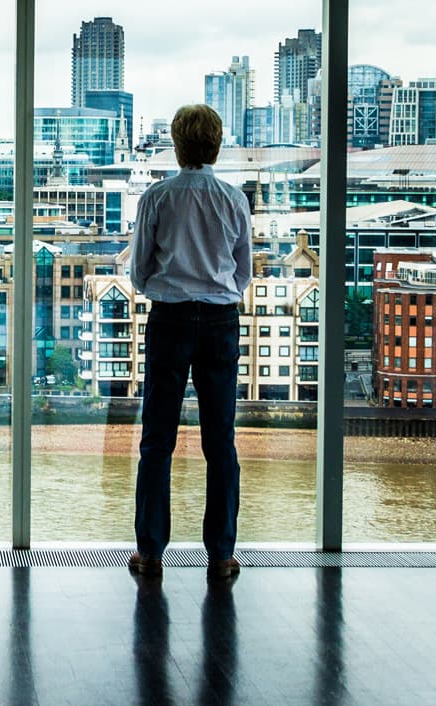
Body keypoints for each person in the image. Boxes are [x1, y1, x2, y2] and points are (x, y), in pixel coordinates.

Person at [128, 104, 252, 580]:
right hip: (221, 320)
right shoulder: (234, 199)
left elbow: (139, 269)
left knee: (157, 440)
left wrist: (168, 284)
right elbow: (242, 270)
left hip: (171, 319)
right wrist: (217, 289)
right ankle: (220, 555)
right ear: (216, 146)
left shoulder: (157, 198)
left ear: (176, 145)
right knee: (220, 441)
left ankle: (151, 551)